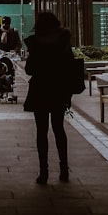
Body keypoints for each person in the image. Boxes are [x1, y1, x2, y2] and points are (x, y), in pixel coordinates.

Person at [23, 11, 73, 184]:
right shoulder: (64, 42)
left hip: (40, 90)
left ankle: (43, 172)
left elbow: (29, 69)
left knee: (41, 131)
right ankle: (64, 169)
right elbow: (70, 67)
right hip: (59, 89)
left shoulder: (35, 43)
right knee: (59, 129)